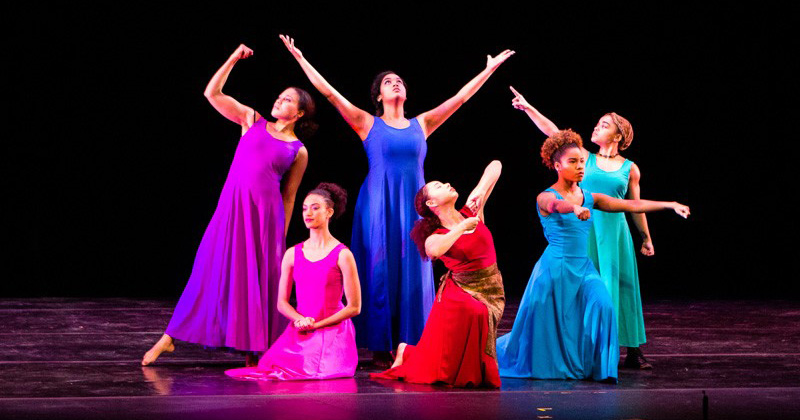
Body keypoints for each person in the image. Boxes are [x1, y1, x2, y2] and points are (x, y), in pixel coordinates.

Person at [279, 34, 514, 365]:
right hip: (378, 206)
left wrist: (488, 69)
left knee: (415, 271)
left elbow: (460, 98)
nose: (395, 84)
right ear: (379, 95)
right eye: (388, 82)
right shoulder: (367, 123)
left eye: (399, 81)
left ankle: (413, 341)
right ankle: (379, 343)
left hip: (416, 207)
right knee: (379, 270)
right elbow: (331, 95)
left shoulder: (422, 124)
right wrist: (301, 59)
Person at [142, 44, 313, 366]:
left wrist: (280, 236)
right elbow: (212, 93)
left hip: (267, 218)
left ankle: (256, 348)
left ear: (300, 113)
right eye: (280, 96)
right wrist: (233, 58)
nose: (280, 100)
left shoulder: (298, 150)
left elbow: (289, 196)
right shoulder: (252, 120)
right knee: (208, 269)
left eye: (288, 99)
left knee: (261, 280)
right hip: (233, 210)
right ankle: (169, 338)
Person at [496, 130, 689, 382]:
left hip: (584, 267)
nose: (580, 167)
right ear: (557, 166)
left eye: (581, 163)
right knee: (550, 326)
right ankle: (553, 363)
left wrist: (669, 204)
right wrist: (574, 207)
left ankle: (603, 370)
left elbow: (630, 205)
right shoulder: (545, 196)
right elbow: (556, 206)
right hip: (555, 269)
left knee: (604, 305)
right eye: (572, 162)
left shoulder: (589, 197)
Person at [510, 86, 655, 368]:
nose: (596, 127)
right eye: (598, 123)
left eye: (604, 125)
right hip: (584, 230)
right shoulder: (583, 159)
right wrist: (528, 108)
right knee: (587, 289)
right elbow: (553, 132)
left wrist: (646, 238)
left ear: (618, 135)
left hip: (614, 235)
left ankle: (632, 351)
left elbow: (635, 205)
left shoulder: (630, 168)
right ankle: (587, 349)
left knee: (621, 287)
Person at [371, 161, 504, 388]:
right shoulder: (436, 233)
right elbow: (434, 251)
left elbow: (495, 165)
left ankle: (408, 351)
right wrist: (460, 228)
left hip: (491, 287)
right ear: (431, 203)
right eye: (439, 186)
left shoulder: (471, 210)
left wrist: (481, 190)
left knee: (476, 317)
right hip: (461, 290)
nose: (447, 184)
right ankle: (414, 355)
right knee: (474, 311)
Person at [226, 183, 361, 380]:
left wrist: (317, 325)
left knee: (310, 369)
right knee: (274, 367)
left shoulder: (343, 255)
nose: (308, 213)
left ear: (329, 212)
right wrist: (299, 319)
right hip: (302, 329)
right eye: (305, 208)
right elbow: (282, 302)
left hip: (332, 332)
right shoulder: (292, 254)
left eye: (315, 208)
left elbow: (354, 307)